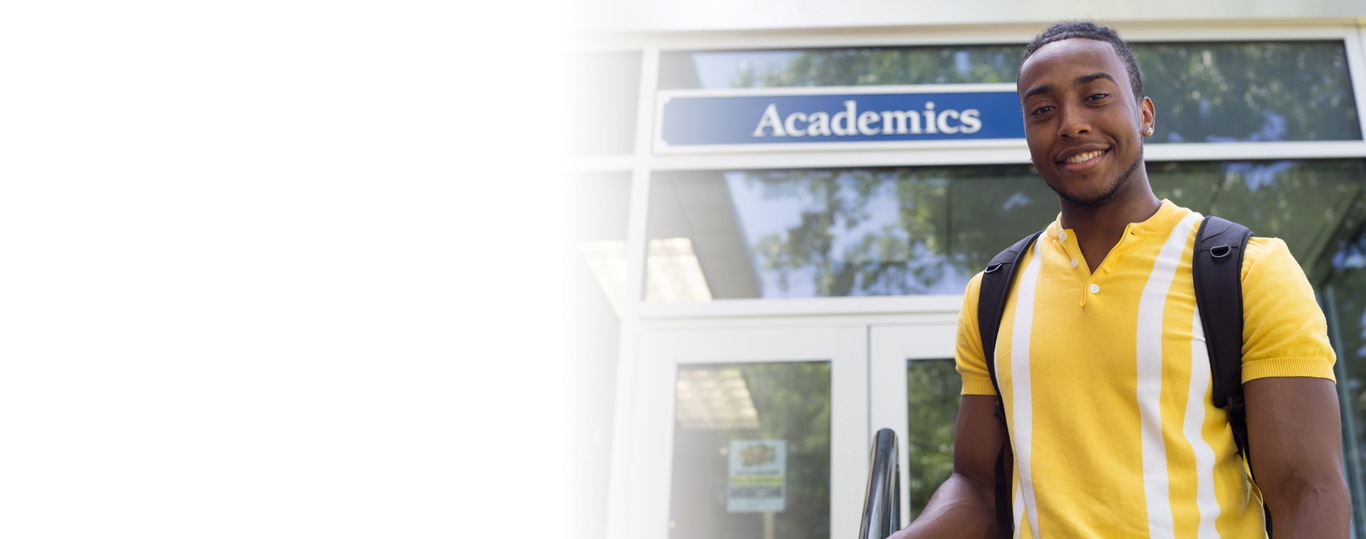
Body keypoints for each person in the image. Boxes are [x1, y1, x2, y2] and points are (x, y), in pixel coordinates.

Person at [890, 22, 1350, 538]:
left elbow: (1305, 490)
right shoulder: (992, 293)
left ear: (1145, 114)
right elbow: (976, 488)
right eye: (1042, 109)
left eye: (1096, 96)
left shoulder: (1248, 271)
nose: (1071, 123)